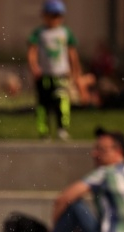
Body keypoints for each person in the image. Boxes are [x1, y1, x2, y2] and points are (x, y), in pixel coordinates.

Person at [27, 0, 81, 140]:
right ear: (44, 15)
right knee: (42, 106)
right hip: (44, 75)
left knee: (61, 101)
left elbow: (72, 53)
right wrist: (34, 67)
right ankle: (43, 131)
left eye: (58, 16)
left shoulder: (65, 32)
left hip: (61, 74)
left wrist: (75, 71)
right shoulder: (40, 33)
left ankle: (62, 128)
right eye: (52, 15)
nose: (55, 19)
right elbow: (32, 51)